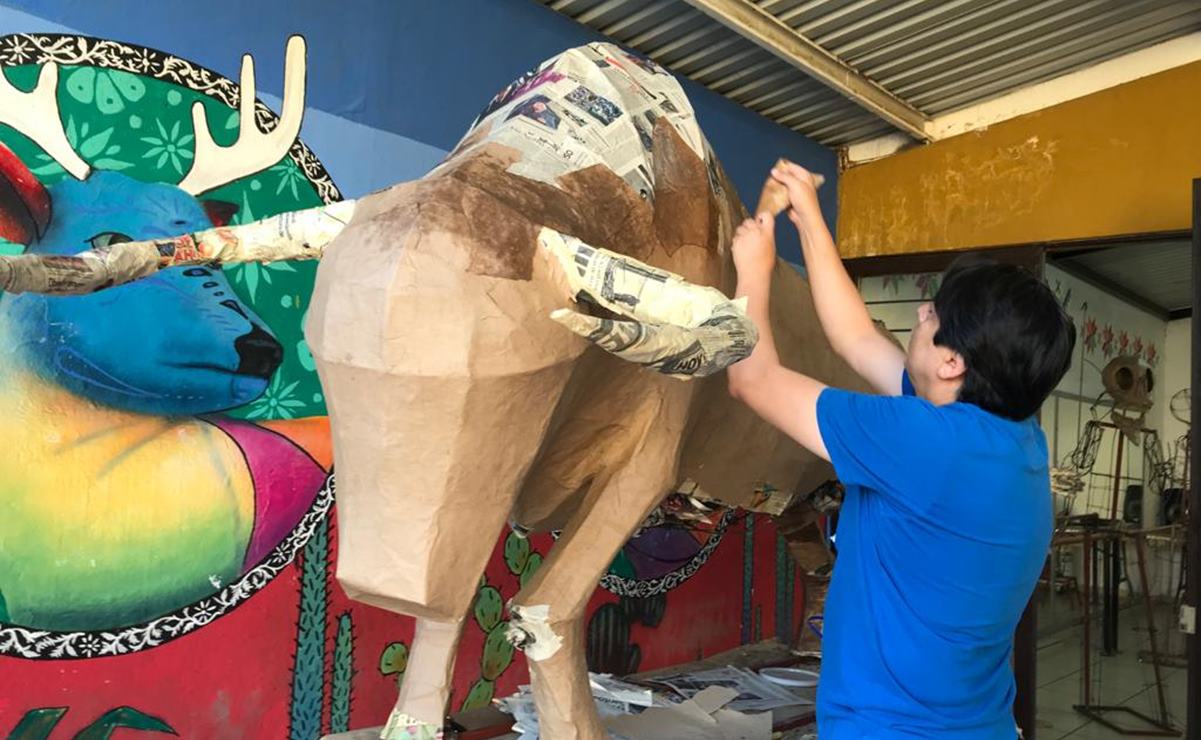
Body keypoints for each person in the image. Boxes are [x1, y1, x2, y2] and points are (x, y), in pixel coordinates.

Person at [727, 162, 1076, 739]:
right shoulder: (1013, 439)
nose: (919, 313)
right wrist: (808, 217)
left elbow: (752, 379)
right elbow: (856, 336)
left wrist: (752, 273)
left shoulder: (921, 443)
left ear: (952, 362)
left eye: (932, 313)